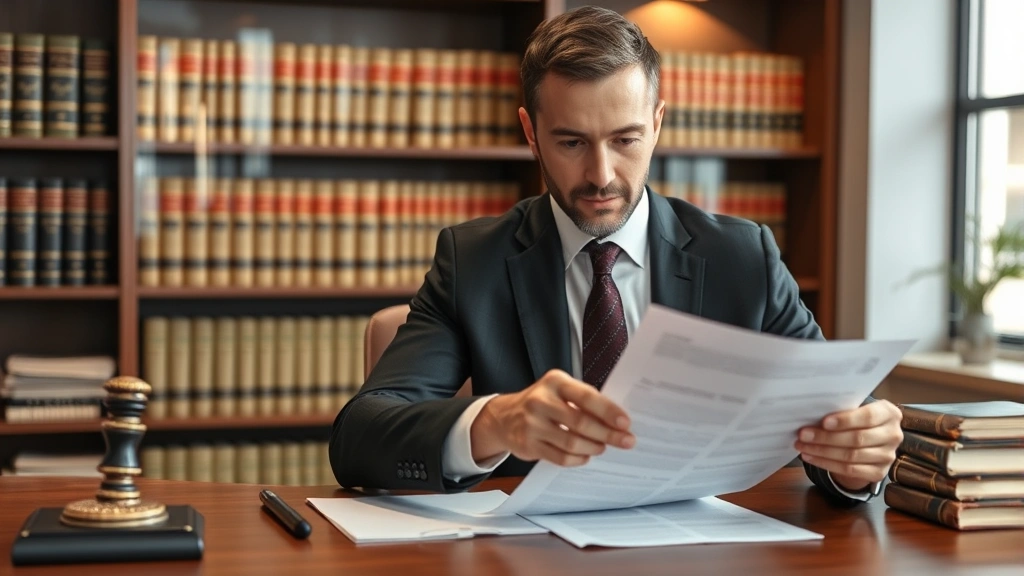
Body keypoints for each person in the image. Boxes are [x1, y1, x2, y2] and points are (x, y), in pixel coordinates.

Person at [330, 6, 903, 505]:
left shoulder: (743, 256)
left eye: (625, 140)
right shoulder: (473, 261)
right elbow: (360, 437)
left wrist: (855, 463)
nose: (601, 176)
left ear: (656, 124)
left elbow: (841, 420)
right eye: (572, 142)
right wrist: (495, 422)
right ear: (531, 133)